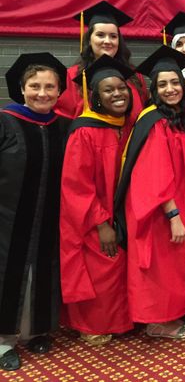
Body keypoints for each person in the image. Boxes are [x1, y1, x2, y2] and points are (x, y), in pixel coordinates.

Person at [114, 46, 185, 339]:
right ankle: (158, 322)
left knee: (175, 265)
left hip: (177, 204)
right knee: (161, 267)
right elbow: (154, 174)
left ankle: (170, 315)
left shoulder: (178, 118)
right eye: (162, 84)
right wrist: (173, 214)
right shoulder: (154, 120)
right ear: (154, 89)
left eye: (175, 82)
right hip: (159, 211)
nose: (170, 88)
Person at [59, 55, 135, 346]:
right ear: (96, 97)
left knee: (119, 267)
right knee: (102, 266)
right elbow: (77, 186)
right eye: (108, 90)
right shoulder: (85, 131)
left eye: (121, 88)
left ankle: (120, 320)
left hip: (121, 212)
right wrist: (101, 222)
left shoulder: (126, 126)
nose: (117, 93)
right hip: (94, 216)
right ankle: (91, 324)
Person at [0, 54, 69, 371]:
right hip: (7, 219)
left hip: (49, 218)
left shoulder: (63, 127)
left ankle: (36, 331)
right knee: (6, 274)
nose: (43, 93)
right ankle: (3, 343)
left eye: (50, 87)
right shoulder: (4, 122)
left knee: (42, 272)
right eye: (35, 86)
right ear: (21, 89)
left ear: (59, 91)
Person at [54, 1, 148, 134]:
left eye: (113, 36)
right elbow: (64, 120)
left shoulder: (134, 76)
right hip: (90, 148)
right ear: (89, 39)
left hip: (131, 149)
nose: (108, 41)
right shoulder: (72, 76)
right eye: (100, 35)